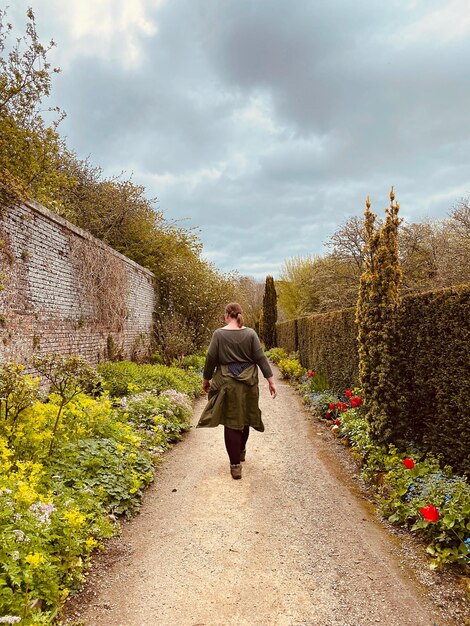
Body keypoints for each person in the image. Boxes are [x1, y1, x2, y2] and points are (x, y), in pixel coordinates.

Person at [197, 302, 277, 480]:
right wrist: (271, 381)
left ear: (227, 315)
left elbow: (211, 358)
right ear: (240, 315)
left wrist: (206, 379)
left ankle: (235, 466)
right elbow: (261, 358)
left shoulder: (219, 334)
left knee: (231, 422)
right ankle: (241, 451)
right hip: (248, 383)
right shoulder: (250, 334)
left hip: (227, 383)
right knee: (245, 417)